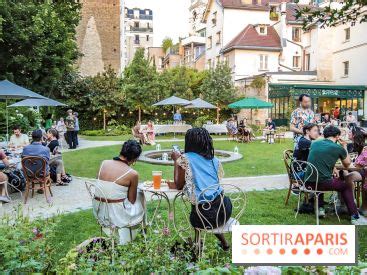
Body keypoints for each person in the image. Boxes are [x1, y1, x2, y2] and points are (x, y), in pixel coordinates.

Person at [172, 128, 233, 251]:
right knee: (204, 209)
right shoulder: (214, 160)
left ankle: (197, 248)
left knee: (198, 212)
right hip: (224, 209)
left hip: (205, 215)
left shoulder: (185, 159)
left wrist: (176, 161)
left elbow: (178, 185)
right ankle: (224, 244)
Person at [305, 125, 366, 225]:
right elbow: (347, 164)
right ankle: (354, 216)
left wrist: (333, 168)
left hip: (308, 182)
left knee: (320, 178)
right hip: (323, 183)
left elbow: (319, 159)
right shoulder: (338, 148)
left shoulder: (315, 144)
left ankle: (320, 208)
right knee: (346, 186)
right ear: (337, 136)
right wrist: (344, 146)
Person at [95, 140, 145, 245]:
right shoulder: (132, 174)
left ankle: (121, 236)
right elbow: (132, 200)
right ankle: (141, 230)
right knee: (141, 195)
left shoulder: (103, 163)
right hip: (117, 215)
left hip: (100, 209)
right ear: (135, 158)